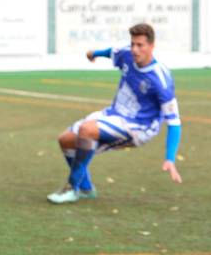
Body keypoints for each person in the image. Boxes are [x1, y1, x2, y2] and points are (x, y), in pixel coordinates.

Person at [47, 23, 182, 204]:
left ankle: (72, 188)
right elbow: (112, 51)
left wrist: (170, 159)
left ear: (152, 46)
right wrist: (93, 53)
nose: (135, 49)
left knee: (87, 130)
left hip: (139, 128)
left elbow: (174, 122)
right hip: (114, 115)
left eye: (140, 45)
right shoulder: (127, 54)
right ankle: (86, 189)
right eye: (133, 44)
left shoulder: (161, 79)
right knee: (65, 140)